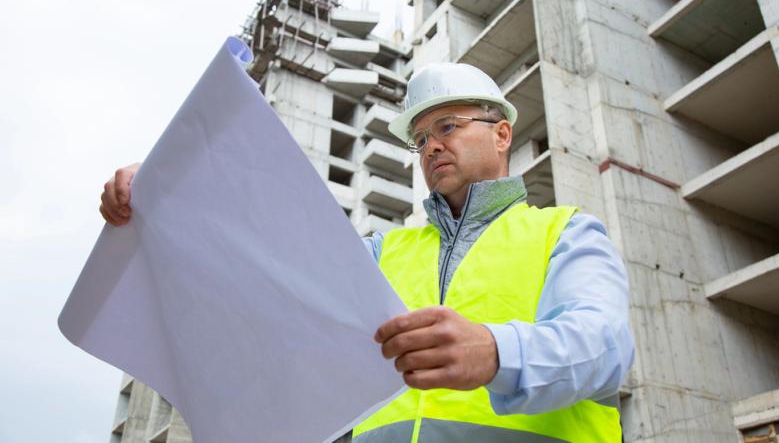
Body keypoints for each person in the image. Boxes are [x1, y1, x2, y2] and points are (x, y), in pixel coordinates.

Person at [100, 63, 634, 442]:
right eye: (420, 138)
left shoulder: (565, 232)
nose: (431, 147)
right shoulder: (384, 252)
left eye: (447, 126)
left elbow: (604, 347)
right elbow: (270, 270)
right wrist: (170, 197)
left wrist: (496, 352)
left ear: (501, 135)